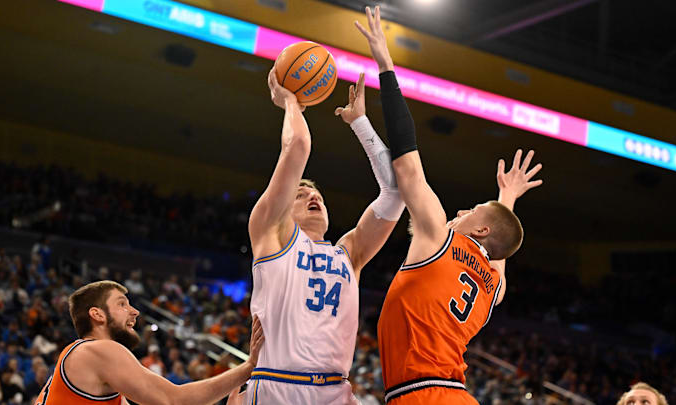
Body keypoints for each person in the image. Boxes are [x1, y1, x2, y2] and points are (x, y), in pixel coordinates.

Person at [355, 6, 543, 404]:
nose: (460, 211)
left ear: (480, 229)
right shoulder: (493, 287)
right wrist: (505, 199)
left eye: (470, 211)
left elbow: (406, 163)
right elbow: (498, 250)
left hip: (421, 395)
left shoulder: (438, 238)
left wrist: (385, 66)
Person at [245, 66, 405, 404]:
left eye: (316, 195)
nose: (312, 196)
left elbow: (396, 190)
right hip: (280, 385)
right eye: (301, 194)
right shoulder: (270, 232)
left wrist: (360, 122)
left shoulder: (349, 253)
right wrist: (290, 101)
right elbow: (298, 145)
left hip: (336, 390)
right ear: (283, 206)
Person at [34, 280, 264, 405]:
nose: (134, 312)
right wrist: (249, 367)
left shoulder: (85, 362)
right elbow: (174, 401)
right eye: (122, 304)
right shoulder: (98, 350)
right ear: (98, 314)